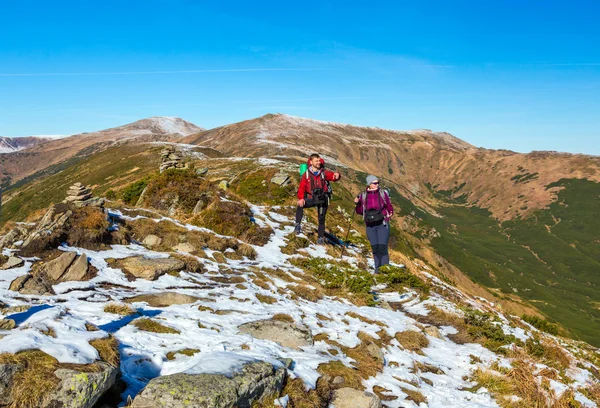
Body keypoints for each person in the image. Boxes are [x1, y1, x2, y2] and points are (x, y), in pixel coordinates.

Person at [295, 154, 341, 244]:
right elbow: (301, 188)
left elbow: (333, 177)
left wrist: (337, 176)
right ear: (311, 162)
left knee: (321, 219)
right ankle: (297, 225)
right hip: (312, 198)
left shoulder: (324, 172)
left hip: (323, 199)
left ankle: (320, 238)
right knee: (300, 205)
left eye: (319, 161)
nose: (318, 162)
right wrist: (301, 198)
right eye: (316, 161)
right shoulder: (306, 174)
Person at [354, 175, 394, 273]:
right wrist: (358, 203)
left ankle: (385, 270)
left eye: (377, 183)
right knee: (375, 247)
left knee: (382, 246)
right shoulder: (363, 195)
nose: (377, 185)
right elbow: (359, 211)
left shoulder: (382, 193)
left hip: (382, 224)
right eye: (374, 183)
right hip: (370, 225)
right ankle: (377, 268)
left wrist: (388, 216)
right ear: (369, 184)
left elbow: (389, 206)